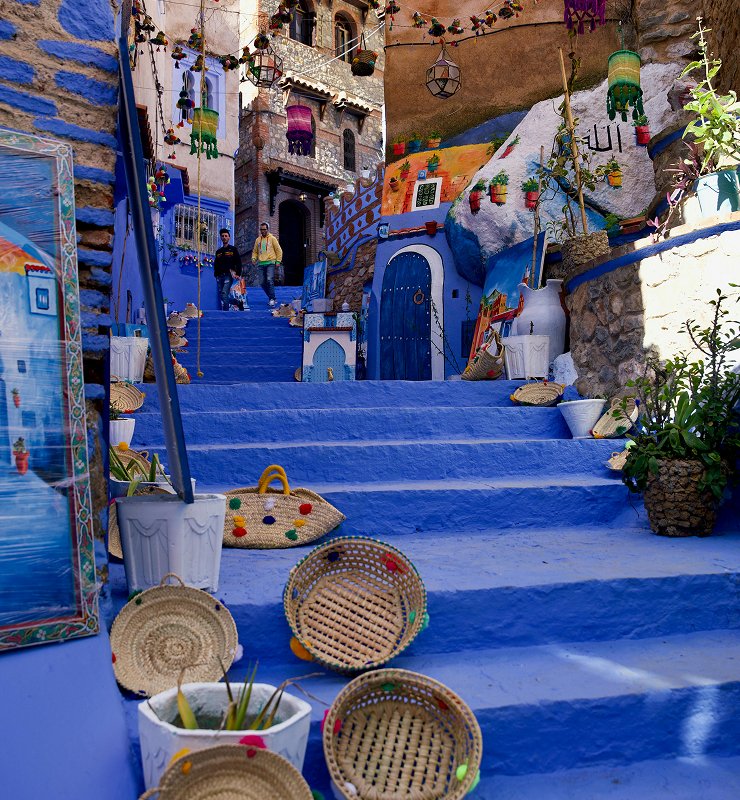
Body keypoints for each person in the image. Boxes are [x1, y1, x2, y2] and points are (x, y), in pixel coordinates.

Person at [251, 222, 282, 308]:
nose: (262, 231)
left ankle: (272, 299)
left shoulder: (272, 239)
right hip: (261, 263)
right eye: (261, 229)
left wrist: (278, 261)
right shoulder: (258, 240)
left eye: (264, 229)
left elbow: (279, 250)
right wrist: (253, 258)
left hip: (270, 262)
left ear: (268, 229)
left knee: (269, 280)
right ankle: (272, 297)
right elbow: (255, 251)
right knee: (261, 282)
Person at [214, 228, 244, 311]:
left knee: (224, 294)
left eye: (226, 236)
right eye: (222, 236)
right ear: (221, 237)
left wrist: (238, 273)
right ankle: (238, 302)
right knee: (223, 296)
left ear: (229, 237)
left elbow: (238, 262)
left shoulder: (233, 249)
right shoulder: (218, 252)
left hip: (228, 275)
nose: (224, 237)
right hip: (219, 276)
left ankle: (226, 313)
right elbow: (216, 264)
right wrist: (216, 274)